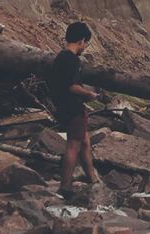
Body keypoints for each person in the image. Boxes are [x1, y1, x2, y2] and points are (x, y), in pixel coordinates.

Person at [49, 21, 100, 197]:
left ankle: (93, 179)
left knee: (85, 142)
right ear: (81, 40)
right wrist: (89, 95)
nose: (85, 48)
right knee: (73, 146)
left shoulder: (60, 57)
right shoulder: (71, 60)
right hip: (72, 107)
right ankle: (65, 186)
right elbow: (71, 86)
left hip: (62, 106)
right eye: (86, 44)